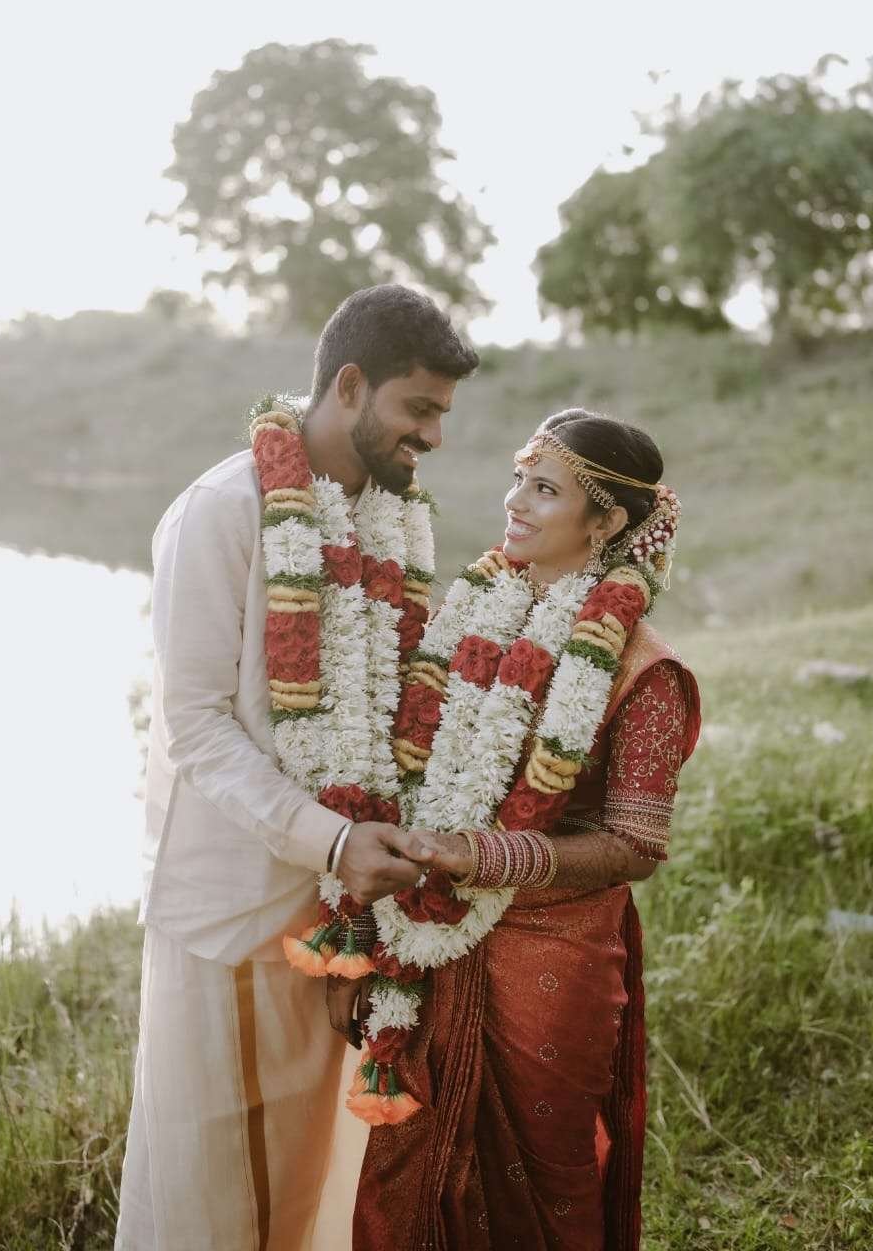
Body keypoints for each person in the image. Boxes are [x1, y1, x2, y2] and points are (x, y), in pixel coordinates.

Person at [115, 285, 479, 1251]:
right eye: (419, 407)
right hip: (231, 912)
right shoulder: (223, 511)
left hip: (340, 913)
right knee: (216, 1196)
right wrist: (334, 840)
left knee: (313, 1184)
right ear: (349, 386)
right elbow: (195, 727)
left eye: (443, 412)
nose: (434, 435)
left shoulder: (388, 520)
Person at [328, 407, 701, 1251]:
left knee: (541, 1181)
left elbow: (635, 845)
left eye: (544, 490)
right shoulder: (468, 622)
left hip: (552, 959)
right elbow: (403, 784)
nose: (515, 502)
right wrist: (362, 933)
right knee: (403, 1167)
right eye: (517, 481)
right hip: (427, 941)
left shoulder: (644, 671)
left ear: (606, 522)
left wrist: (484, 856)